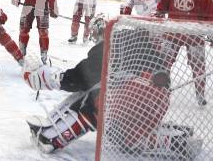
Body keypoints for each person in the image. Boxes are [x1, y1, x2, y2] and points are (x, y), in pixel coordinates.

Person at [23, 16, 199, 159]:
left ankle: (51, 137)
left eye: (95, 33)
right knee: (127, 136)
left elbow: (80, 79)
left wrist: (46, 78)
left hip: (134, 94)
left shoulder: (110, 45)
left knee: (91, 104)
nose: (95, 37)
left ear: (102, 31)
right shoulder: (133, 39)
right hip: (159, 99)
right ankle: (177, 141)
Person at [156, 0, 213, 106]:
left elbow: (210, 16)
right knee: (163, 62)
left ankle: (200, 94)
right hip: (173, 32)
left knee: (199, 66)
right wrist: (158, 16)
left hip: (194, 35)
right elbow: (161, 7)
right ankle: (160, 90)